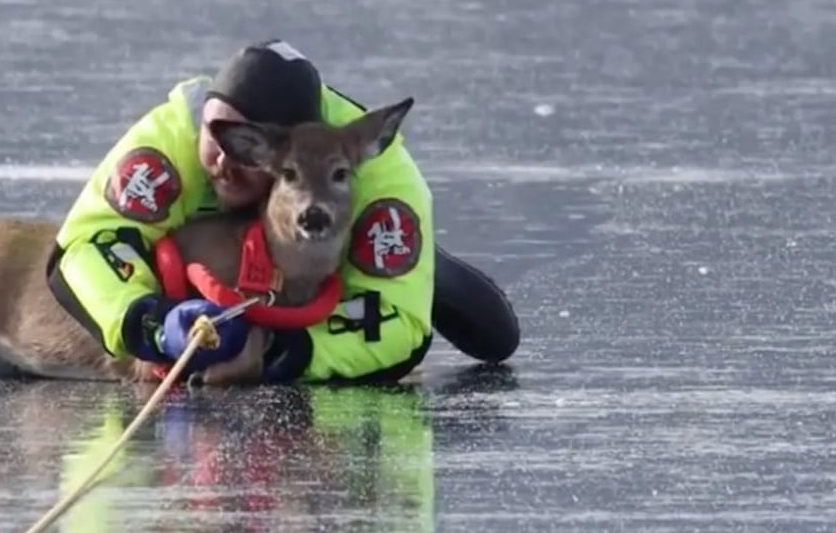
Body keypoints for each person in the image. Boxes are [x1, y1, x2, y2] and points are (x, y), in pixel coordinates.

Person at [44, 39, 520, 383]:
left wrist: (283, 353)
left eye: (247, 152)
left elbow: (396, 327)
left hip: (330, 231)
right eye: (221, 138)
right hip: (209, 225)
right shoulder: (171, 141)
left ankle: (425, 264)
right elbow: (85, 247)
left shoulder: (376, 174)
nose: (226, 164)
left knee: (493, 335)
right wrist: (151, 324)